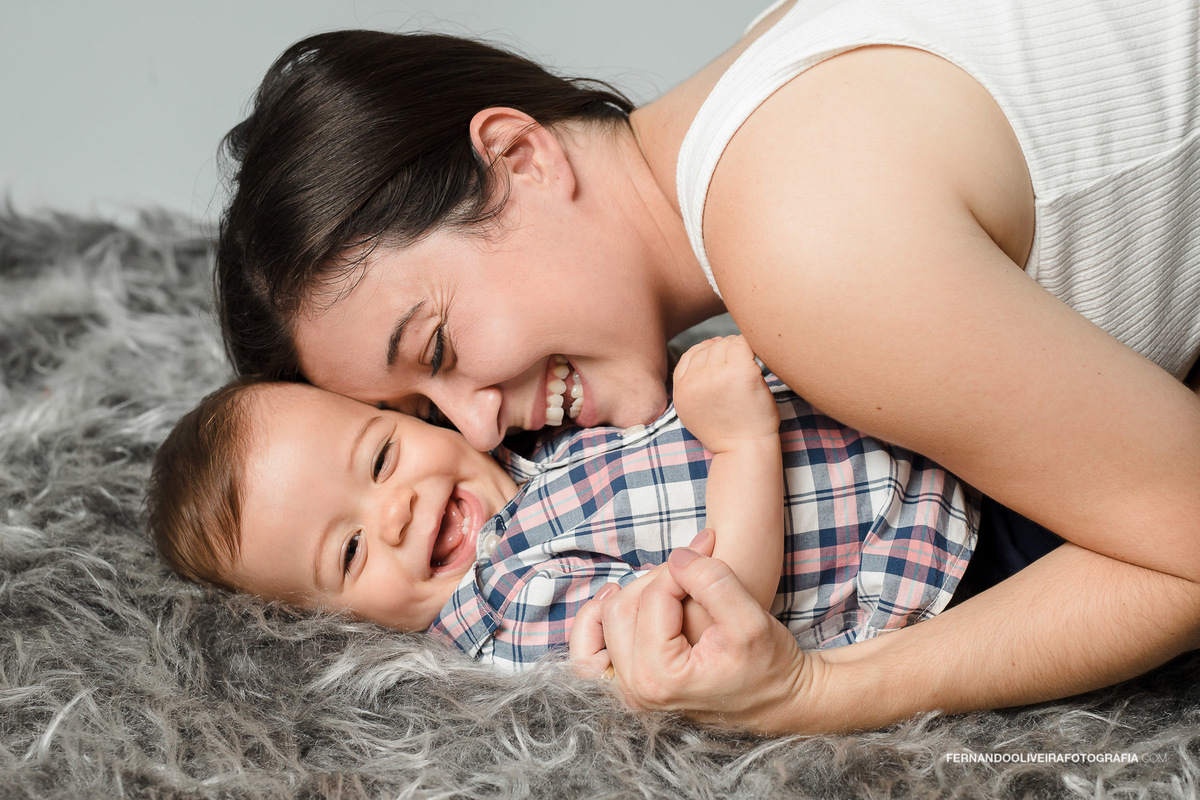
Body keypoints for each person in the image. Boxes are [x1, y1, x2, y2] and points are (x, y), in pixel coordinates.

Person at [214, 0, 1200, 733]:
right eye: (420, 410)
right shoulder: (775, 52)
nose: (477, 429)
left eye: (436, 347)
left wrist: (818, 690)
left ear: (519, 155)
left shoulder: (804, 252)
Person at [145, 337, 977, 670]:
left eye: (382, 457)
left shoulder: (516, 444)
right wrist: (744, 447)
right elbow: (713, 621)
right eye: (350, 551)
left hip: (896, 410)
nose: (394, 512)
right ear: (332, 623)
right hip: (929, 551)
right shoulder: (509, 607)